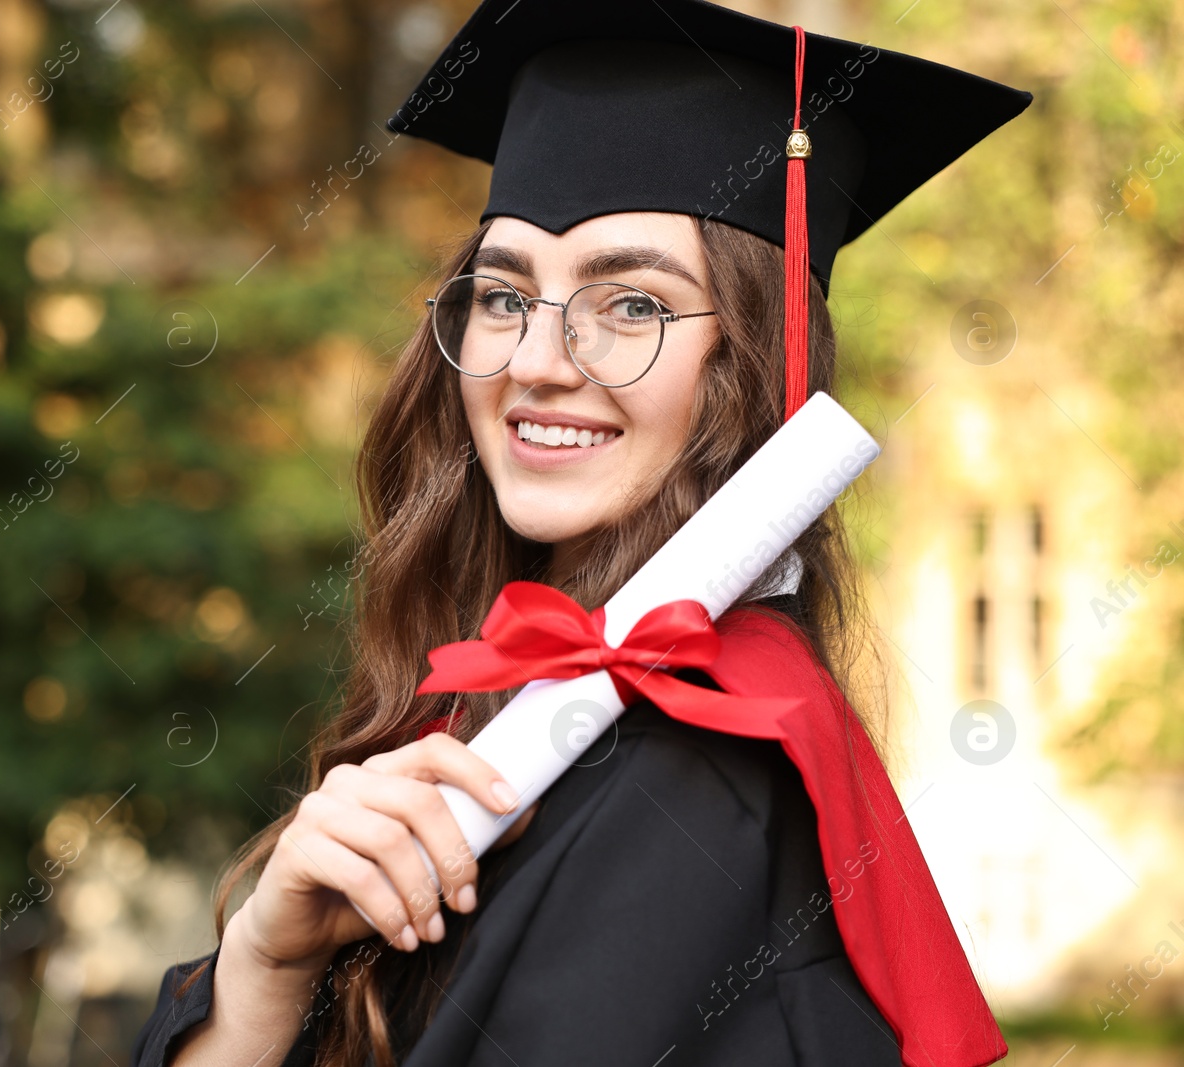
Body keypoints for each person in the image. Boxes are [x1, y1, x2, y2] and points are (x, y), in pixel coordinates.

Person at [133, 2, 1033, 1065]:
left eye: (634, 305)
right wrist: (261, 969)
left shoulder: (689, 779)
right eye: (505, 292)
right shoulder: (512, 712)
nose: (536, 359)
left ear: (752, 367)